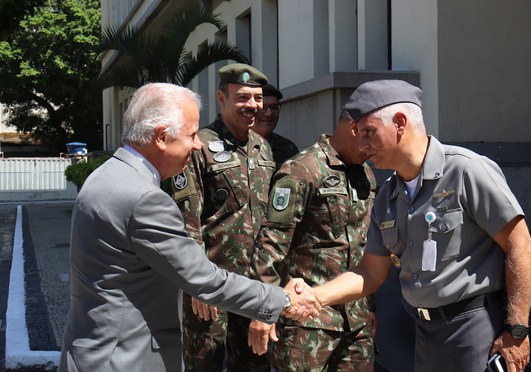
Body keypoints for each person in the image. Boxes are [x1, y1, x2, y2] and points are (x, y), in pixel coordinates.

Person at [59, 83, 320, 372]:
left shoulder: (107, 174)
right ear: (161, 137)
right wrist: (280, 298)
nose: (197, 145)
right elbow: (204, 280)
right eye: (192, 135)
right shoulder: (144, 199)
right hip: (126, 359)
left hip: (93, 350)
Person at [312, 80, 531, 372]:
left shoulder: (466, 170)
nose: (361, 145)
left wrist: (517, 330)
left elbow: (520, 244)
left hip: (475, 329)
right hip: (423, 334)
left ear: (400, 123)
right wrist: (316, 296)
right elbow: (370, 272)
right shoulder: (387, 196)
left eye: (368, 132)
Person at [248, 109, 377, 371]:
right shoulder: (302, 169)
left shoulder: (366, 174)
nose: (373, 148)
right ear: (354, 128)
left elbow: (366, 247)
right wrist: (263, 309)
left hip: (356, 321)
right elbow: (272, 243)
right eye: (371, 136)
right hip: (307, 323)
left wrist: (370, 306)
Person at [168, 63, 276, 372]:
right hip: (212, 288)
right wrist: (200, 285)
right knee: (205, 365)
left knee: (254, 366)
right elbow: (187, 223)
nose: (252, 106)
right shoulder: (199, 145)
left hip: (253, 288)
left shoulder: (263, 148)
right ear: (221, 97)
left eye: (257, 98)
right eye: (243, 97)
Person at [252, 83, 299, 168]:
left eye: (274, 107)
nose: (269, 113)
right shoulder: (232, 146)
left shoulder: (287, 148)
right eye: (262, 107)